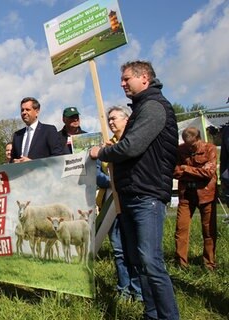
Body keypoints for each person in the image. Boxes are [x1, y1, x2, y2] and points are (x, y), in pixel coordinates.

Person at [89, 60, 179, 319]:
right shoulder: (143, 107)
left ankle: (168, 316)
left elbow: (130, 147)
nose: (122, 83)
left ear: (144, 79)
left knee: (151, 262)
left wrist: (102, 152)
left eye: (127, 78)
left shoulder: (153, 107)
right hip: (132, 192)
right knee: (140, 262)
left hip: (146, 194)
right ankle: (151, 314)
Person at [95, 106, 142, 302]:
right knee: (118, 249)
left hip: (131, 199)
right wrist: (110, 181)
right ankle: (123, 288)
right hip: (110, 202)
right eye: (109, 119)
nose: (111, 122)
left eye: (115, 118)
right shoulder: (106, 146)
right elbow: (98, 175)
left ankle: (138, 290)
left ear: (126, 119)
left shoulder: (134, 142)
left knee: (136, 248)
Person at [173, 127, 217, 270]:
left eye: (192, 144)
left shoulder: (210, 149)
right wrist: (195, 172)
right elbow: (174, 171)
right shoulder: (180, 150)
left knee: (208, 230)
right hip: (186, 195)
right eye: (186, 144)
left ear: (198, 138)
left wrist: (186, 169)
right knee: (181, 229)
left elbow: (209, 172)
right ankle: (181, 264)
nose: (189, 147)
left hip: (206, 195)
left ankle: (209, 264)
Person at [11, 97, 66, 163]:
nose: (24, 112)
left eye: (27, 109)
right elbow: (12, 159)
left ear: (37, 112)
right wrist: (14, 161)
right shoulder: (17, 135)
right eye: (22, 110)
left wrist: (34, 163)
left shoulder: (48, 131)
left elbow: (58, 156)